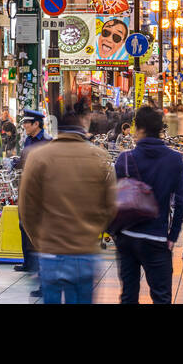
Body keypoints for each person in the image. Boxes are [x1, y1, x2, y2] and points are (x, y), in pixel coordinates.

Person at [18, 99, 116, 304]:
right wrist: (93, 232)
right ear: (82, 126)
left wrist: (39, 240)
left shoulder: (38, 157)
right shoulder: (98, 157)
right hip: (85, 250)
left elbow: (26, 207)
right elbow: (111, 205)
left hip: (50, 249)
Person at [112, 105, 183, 304]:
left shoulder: (124, 159)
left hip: (127, 237)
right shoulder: (175, 159)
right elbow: (180, 201)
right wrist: (173, 235)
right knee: (161, 296)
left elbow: (112, 198)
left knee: (128, 295)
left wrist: (115, 233)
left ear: (142, 129)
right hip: (157, 237)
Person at [15, 109, 51, 284]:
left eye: (26, 123)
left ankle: (41, 264)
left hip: (42, 191)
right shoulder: (28, 140)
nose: (24, 126)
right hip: (26, 189)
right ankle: (28, 262)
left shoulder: (47, 142)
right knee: (24, 225)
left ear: (36, 124)